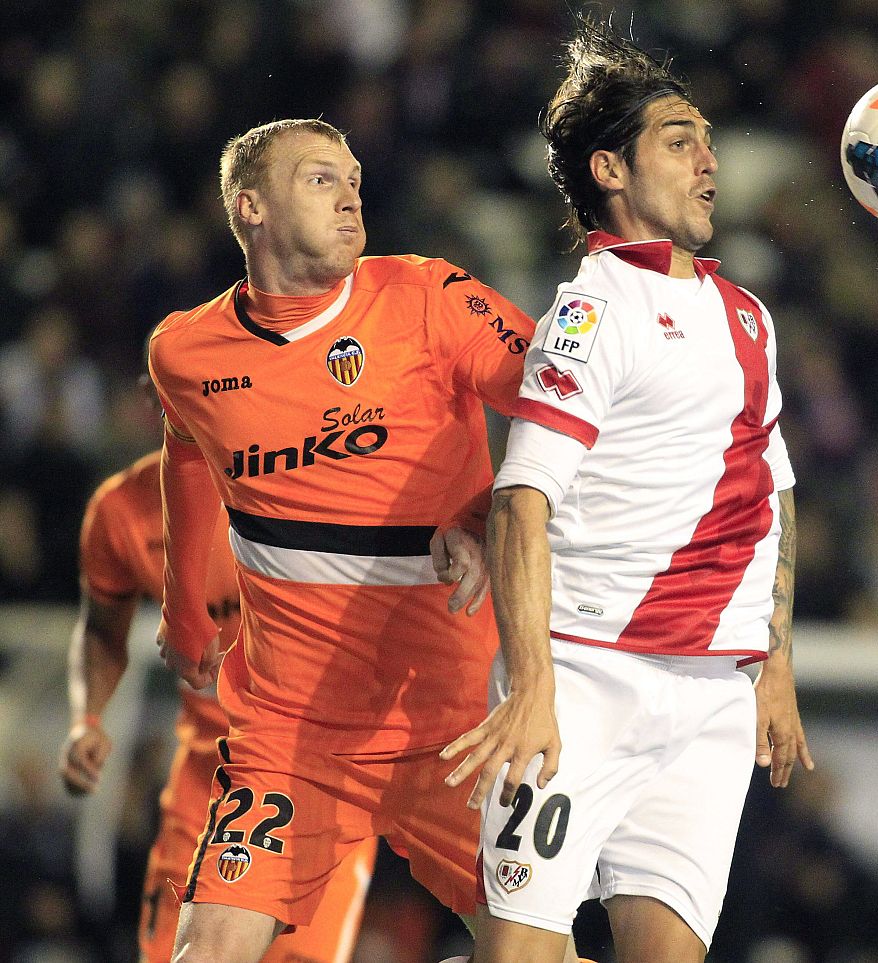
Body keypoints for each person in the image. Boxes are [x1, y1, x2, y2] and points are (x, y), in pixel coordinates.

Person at [439, 18, 812, 963]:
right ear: (611, 168)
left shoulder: (749, 315)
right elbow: (526, 502)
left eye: (709, 142)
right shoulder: (591, 311)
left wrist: (775, 664)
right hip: (587, 680)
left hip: (711, 702)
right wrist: (532, 688)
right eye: (679, 141)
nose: (709, 162)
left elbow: (773, 489)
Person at [145, 117, 560, 963]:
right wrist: (185, 601)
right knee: (201, 953)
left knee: (535, 956)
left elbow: (568, 406)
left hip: (460, 723)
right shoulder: (185, 353)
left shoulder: (428, 298)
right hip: (295, 732)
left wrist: (486, 513)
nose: (351, 194)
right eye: (321, 178)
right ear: (249, 206)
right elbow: (187, 448)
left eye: (355, 177)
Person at [57, 445, 379, 963]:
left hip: (316, 777)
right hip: (207, 781)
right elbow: (100, 629)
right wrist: (86, 719)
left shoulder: (305, 477)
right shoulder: (121, 511)